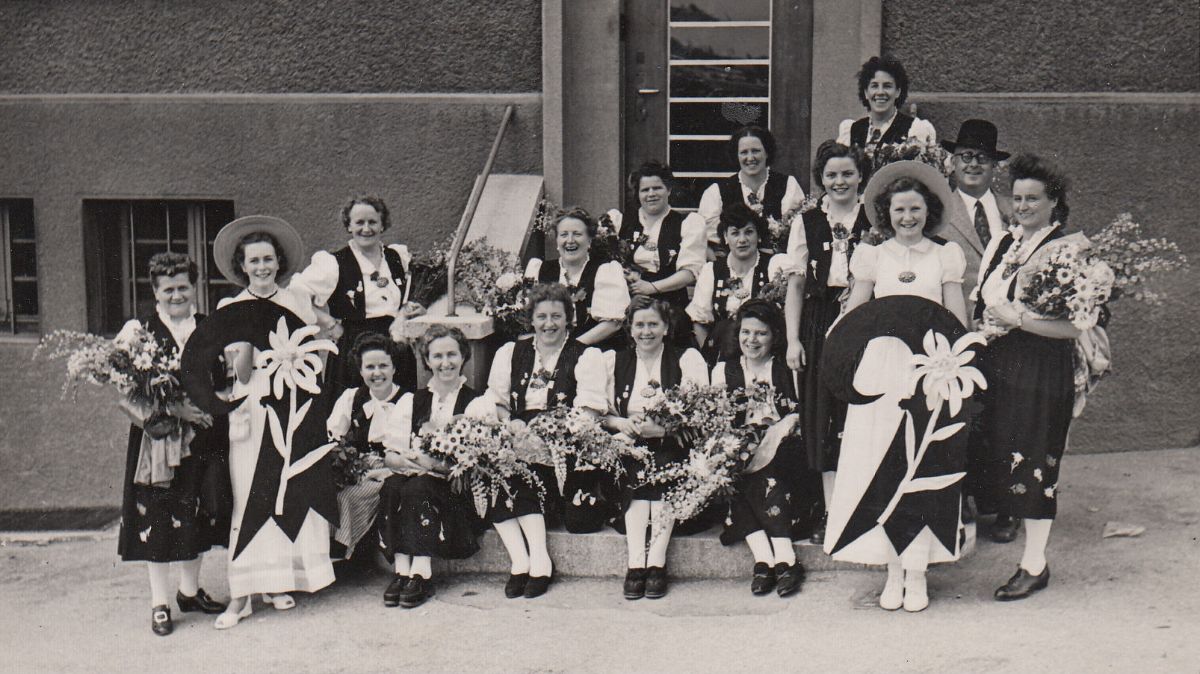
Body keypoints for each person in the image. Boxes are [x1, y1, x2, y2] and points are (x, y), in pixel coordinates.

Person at [825, 161, 969, 612]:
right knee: (881, 465)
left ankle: (919, 571)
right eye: (899, 209)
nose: (908, 217)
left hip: (929, 371)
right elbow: (855, 316)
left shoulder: (945, 256)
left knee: (923, 464)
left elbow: (957, 322)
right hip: (880, 374)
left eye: (916, 209)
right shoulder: (873, 256)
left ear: (929, 211)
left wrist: (951, 371)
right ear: (887, 213)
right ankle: (892, 570)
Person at [188, 215, 339, 629]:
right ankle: (242, 594)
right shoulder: (229, 308)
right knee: (250, 489)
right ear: (242, 265)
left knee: (286, 488)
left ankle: (277, 580)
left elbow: (317, 348)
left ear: (279, 262)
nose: (262, 267)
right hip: (252, 406)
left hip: (293, 405)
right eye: (253, 260)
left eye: (268, 259)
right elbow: (238, 374)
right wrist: (242, 358)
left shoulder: (296, 300)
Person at [973, 155, 1090, 601]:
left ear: (1053, 201)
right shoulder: (1004, 243)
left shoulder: (1068, 249)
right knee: (1001, 455)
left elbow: (1076, 326)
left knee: (1036, 459)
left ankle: (1034, 564)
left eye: (1032, 199)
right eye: (1017, 198)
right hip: (998, 362)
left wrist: (1019, 322)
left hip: (1041, 366)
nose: (1021, 206)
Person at [115, 252, 228, 636]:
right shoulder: (138, 332)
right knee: (158, 517)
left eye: (183, 287)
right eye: (168, 289)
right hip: (158, 442)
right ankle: (159, 603)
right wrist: (177, 411)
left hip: (204, 436)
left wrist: (209, 407)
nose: (176, 295)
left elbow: (224, 380)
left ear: (193, 288)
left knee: (198, 509)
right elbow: (125, 390)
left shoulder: (210, 328)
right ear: (155, 291)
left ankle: (189, 591)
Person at [481, 283, 608, 598]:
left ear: (569, 318)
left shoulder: (586, 355)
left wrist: (548, 431)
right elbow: (496, 401)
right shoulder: (510, 352)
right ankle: (522, 561)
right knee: (499, 466)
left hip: (562, 443)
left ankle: (539, 558)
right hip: (517, 432)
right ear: (531, 320)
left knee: (518, 471)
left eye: (556, 316)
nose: (549, 323)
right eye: (542, 316)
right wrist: (510, 427)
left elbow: (589, 412)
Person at [789, 141, 874, 544]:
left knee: (860, 412)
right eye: (831, 175)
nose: (839, 182)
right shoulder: (807, 222)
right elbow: (796, 284)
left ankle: (865, 510)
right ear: (821, 180)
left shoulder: (874, 219)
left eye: (847, 174)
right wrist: (792, 339)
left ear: (861, 177)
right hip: (820, 321)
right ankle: (831, 512)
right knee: (824, 417)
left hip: (865, 322)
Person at [601, 295, 709, 600]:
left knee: (663, 467)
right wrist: (623, 425)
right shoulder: (614, 362)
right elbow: (601, 414)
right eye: (639, 325)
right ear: (629, 328)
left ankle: (656, 561)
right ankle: (637, 563)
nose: (645, 331)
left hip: (672, 443)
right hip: (628, 443)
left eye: (653, 324)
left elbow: (698, 414)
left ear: (665, 327)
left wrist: (662, 429)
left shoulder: (685, 359)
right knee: (636, 468)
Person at [377, 325, 484, 609]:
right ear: (426, 360)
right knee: (392, 485)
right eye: (437, 356)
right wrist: (401, 460)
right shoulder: (412, 401)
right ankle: (402, 571)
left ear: (464, 356)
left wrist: (434, 464)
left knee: (418, 487)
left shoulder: (475, 404)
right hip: (414, 477)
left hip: (452, 490)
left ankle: (421, 572)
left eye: (452, 354)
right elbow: (390, 455)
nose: (445, 362)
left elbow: (472, 465)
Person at [712, 300, 805, 597]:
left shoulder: (784, 367)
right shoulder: (724, 370)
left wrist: (775, 433)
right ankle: (772, 558)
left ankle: (778, 557)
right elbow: (718, 417)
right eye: (746, 332)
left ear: (774, 336)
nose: (751, 340)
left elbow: (797, 412)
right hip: (742, 448)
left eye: (761, 333)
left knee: (766, 473)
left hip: (783, 449)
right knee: (733, 468)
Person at [289, 194, 423, 400]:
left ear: (382, 225)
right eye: (359, 222)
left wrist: (410, 311)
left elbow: (408, 294)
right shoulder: (334, 263)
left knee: (400, 408)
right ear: (349, 226)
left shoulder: (397, 257)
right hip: (354, 347)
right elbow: (297, 292)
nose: (366, 229)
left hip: (395, 344)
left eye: (372, 222)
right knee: (353, 409)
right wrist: (330, 325)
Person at [325, 332, 406, 561]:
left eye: (383, 366)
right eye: (370, 367)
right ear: (360, 370)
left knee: (348, 497)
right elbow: (334, 435)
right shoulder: (352, 397)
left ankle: (341, 550)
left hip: (389, 469)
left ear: (393, 368)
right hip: (356, 466)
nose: (377, 373)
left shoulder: (407, 400)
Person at [687, 203, 795, 365]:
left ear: (759, 236)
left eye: (749, 232)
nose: (742, 240)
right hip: (724, 357)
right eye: (735, 233)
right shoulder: (712, 271)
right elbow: (700, 322)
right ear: (725, 237)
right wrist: (711, 355)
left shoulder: (774, 265)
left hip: (765, 355)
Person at [616, 161, 707, 346]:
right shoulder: (620, 221)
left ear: (669, 190)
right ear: (638, 194)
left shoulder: (686, 223)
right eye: (645, 190)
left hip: (669, 302)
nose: (651, 194)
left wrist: (652, 287)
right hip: (627, 300)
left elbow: (689, 273)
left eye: (657, 188)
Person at [524, 207, 630, 351]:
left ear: (589, 240)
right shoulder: (539, 269)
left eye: (577, 234)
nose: (570, 240)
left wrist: (570, 349)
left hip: (592, 350)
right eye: (563, 234)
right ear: (556, 241)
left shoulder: (605, 270)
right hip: (548, 349)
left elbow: (612, 324)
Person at [941, 119, 1014, 310]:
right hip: (959, 324)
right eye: (966, 156)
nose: (973, 164)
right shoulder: (938, 213)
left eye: (982, 158)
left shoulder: (1014, 210)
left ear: (994, 165)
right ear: (953, 161)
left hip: (1010, 326)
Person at [697, 126, 806, 249]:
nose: (750, 158)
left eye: (756, 151)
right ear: (736, 155)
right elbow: (710, 239)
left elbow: (798, 233)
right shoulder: (717, 192)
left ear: (767, 152)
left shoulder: (788, 185)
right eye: (744, 152)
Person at [836, 56, 936, 150]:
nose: (880, 92)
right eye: (874, 86)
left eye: (887, 86)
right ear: (866, 92)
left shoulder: (914, 129)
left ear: (898, 92)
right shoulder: (852, 130)